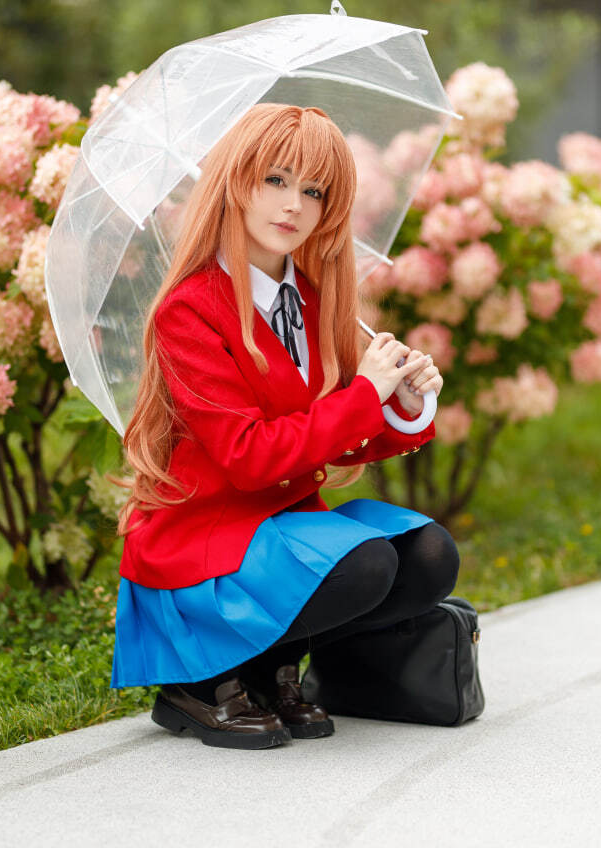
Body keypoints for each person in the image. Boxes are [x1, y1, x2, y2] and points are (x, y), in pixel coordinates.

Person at [113, 103, 460, 749]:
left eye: (313, 189)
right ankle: (206, 680)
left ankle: (273, 669)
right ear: (235, 183)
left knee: (428, 556)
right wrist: (363, 393)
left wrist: (401, 400)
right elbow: (248, 456)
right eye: (274, 179)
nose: (292, 204)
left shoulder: (316, 296)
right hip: (206, 543)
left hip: (280, 529)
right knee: (364, 563)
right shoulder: (189, 310)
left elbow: (333, 428)